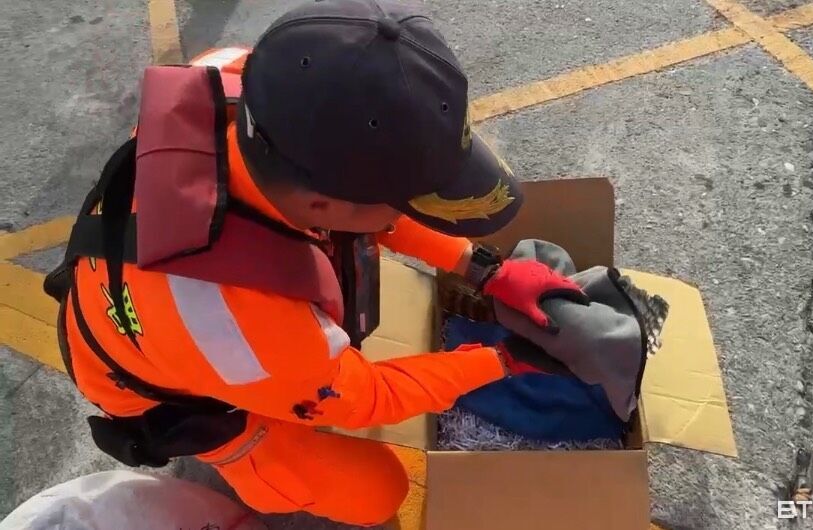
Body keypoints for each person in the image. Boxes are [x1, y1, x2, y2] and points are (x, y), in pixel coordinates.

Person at [43, 0, 592, 526]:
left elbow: (372, 212)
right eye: (404, 201)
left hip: (154, 299)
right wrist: (502, 361)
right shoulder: (242, 324)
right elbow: (365, 397)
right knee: (377, 491)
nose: (404, 215)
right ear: (323, 207)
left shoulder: (241, 78)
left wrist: (484, 270)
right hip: (165, 389)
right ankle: (251, 463)